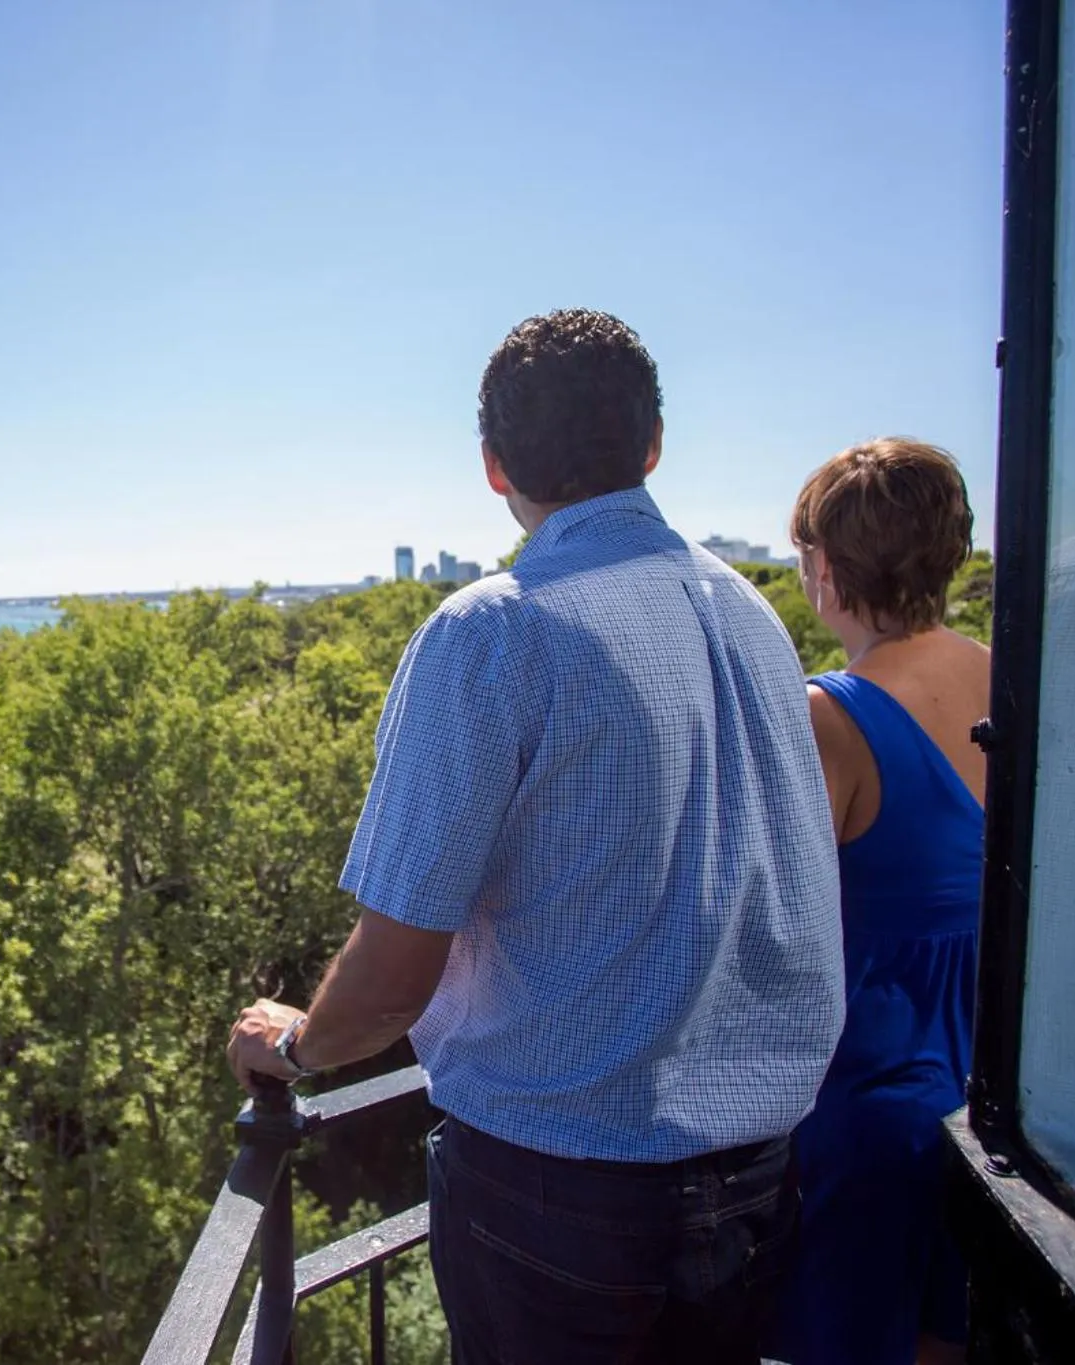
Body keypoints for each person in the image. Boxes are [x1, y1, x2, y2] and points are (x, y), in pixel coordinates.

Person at [226, 308, 845, 1364]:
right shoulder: (751, 612)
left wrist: (292, 1047)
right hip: (760, 1181)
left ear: (491, 465)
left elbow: (389, 978)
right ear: (651, 446)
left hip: (563, 1200)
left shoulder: (492, 632)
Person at [767, 439, 988, 1365]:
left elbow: (773, 922)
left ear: (824, 567)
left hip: (869, 1097)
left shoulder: (831, 714)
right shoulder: (1004, 672)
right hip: (988, 1077)